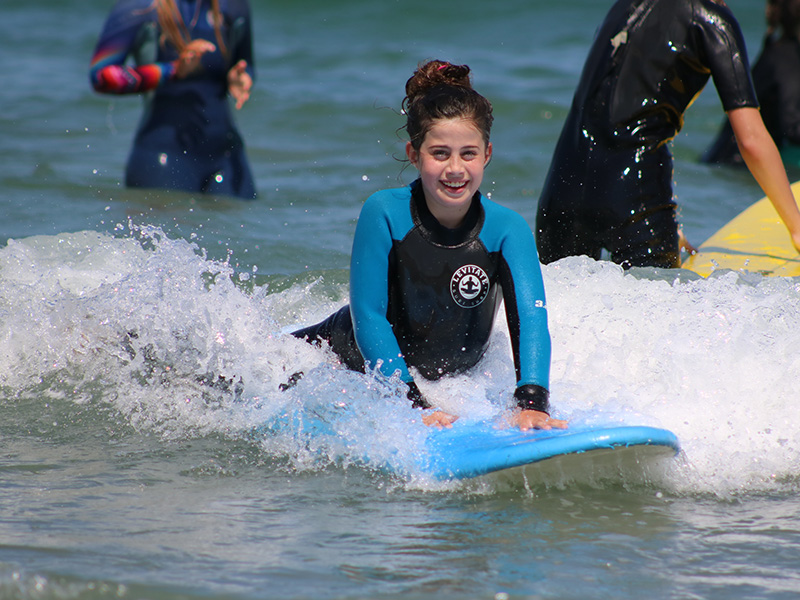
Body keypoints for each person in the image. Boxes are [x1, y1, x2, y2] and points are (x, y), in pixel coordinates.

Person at [292, 60, 566, 431]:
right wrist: (412, 405)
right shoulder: (385, 212)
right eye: (440, 153)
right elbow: (368, 315)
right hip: (331, 361)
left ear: (487, 154)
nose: (455, 168)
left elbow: (531, 318)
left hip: (430, 384)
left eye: (468, 153)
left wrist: (533, 402)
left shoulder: (507, 230)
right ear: (414, 154)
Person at [536, 0, 800, 269]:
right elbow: (751, 139)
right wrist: (796, 227)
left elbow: (608, 116)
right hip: (635, 199)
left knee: (559, 307)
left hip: (561, 193)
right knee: (652, 308)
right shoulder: (711, 20)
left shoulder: (624, 7)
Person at [89, 0, 257, 199]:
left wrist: (240, 77)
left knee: (244, 228)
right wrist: (173, 70)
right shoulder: (139, 7)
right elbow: (101, 76)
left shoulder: (234, 6)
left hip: (228, 157)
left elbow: (246, 63)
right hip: (163, 157)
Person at [703, 0, 800, 166]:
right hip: (735, 166)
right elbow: (792, 126)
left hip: (726, 162)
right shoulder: (788, 59)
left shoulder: (779, 50)